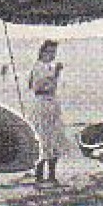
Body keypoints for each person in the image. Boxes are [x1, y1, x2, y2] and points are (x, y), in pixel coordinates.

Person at [27, 40, 71, 185]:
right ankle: (40, 175)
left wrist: (54, 75)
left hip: (50, 103)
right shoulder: (39, 67)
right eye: (50, 52)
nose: (52, 55)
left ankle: (51, 174)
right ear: (43, 52)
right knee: (43, 138)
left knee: (54, 138)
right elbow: (38, 87)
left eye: (54, 52)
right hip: (42, 104)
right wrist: (55, 75)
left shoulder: (46, 67)